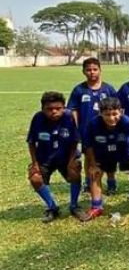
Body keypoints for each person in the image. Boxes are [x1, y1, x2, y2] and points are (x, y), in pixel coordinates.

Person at [27, 91, 89, 222]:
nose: (54, 112)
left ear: (64, 107)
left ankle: (74, 205)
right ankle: (52, 207)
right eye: (49, 109)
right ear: (42, 109)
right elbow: (31, 142)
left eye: (58, 108)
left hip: (65, 156)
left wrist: (72, 160)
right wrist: (35, 163)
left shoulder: (68, 117)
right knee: (35, 178)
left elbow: (74, 141)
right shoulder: (38, 118)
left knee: (75, 170)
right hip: (44, 157)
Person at [82, 98, 129, 220]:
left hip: (123, 150)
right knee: (95, 174)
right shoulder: (93, 124)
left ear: (121, 111)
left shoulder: (126, 121)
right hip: (103, 152)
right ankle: (96, 206)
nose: (111, 118)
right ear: (100, 114)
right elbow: (88, 146)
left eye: (115, 114)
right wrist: (93, 165)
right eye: (107, 115)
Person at [67, 57, 118, 192]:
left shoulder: (108, 89)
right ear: (83, 71)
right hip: (87, 131)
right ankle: (89, 182)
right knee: (89, 157)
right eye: (88, 70)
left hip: (107, 130)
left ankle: (111, 182)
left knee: (110, 156)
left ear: (100, 70)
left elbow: (117, 109)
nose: (92, 72)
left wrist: (114, 125)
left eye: (95, 69)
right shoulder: (79, 90)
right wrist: (77, 128)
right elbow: (73, 110)